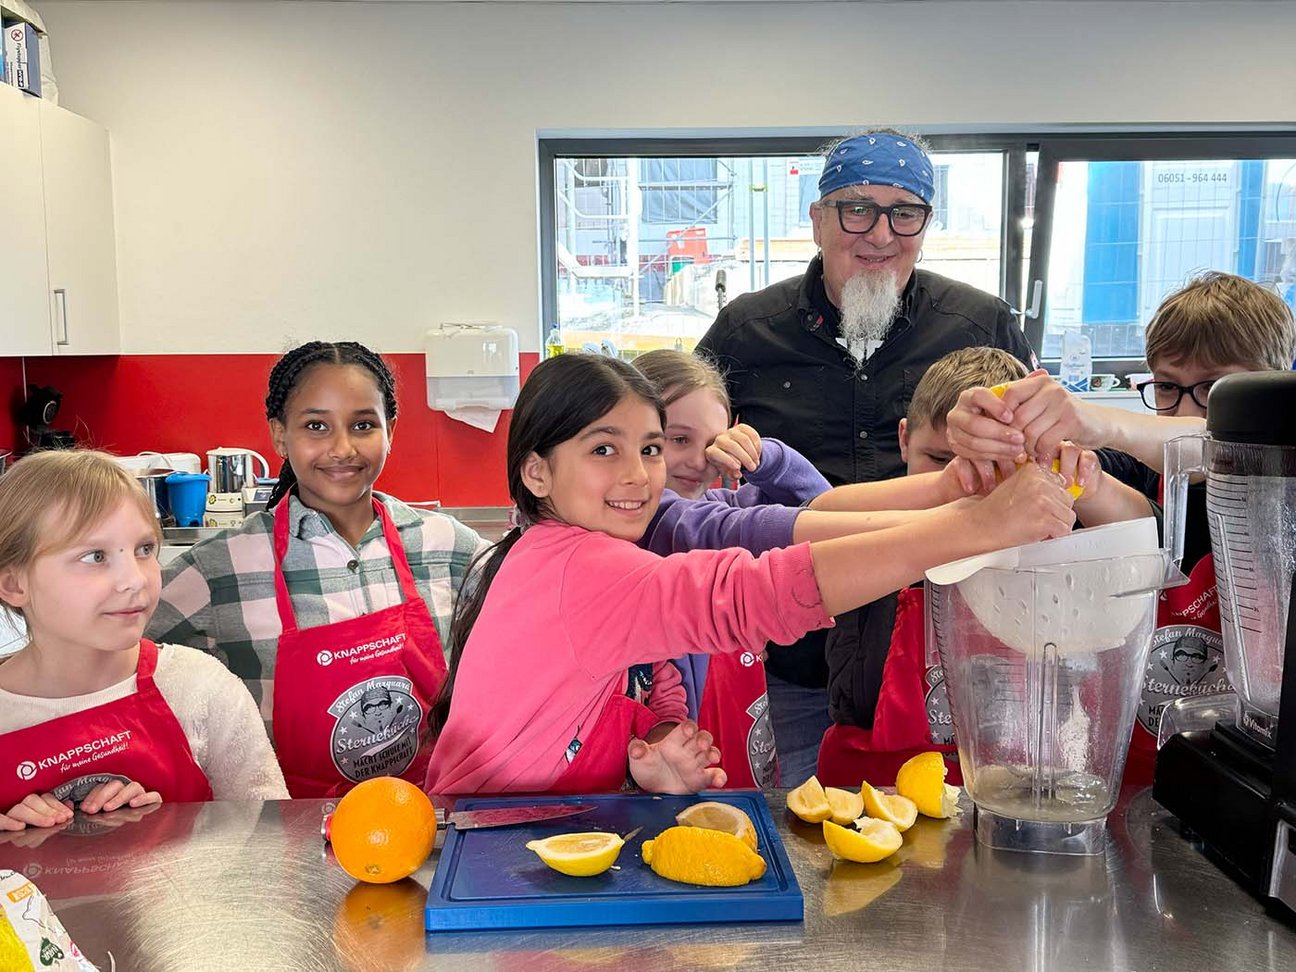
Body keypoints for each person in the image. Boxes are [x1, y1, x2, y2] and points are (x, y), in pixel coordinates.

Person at [423, 354, 1076, 797]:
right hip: (493, 855)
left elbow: (638, 674)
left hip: (525, 839)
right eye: (603, 448)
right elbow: (758, 592)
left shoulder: (547, 550)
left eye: (648, 448)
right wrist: (975, 527)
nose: (636, 473)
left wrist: (653, 733)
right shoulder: (581, 565)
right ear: (537, 472)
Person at [695, 130, 1039, 777]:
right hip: (785, 656)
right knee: (789, 831)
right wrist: (710, 455)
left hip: (934, 655)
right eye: (858, 208)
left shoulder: (979, 324)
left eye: (904, 211)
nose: (881, 233)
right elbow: (684, 443)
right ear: (819, 219)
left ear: (926, 223)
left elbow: (1035, 454)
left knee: (934, 845)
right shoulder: (746, 330)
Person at [944, 272, 1296, 782]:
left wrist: (1098, 419)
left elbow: (1222, 445)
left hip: (1260, 762)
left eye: (1214, 390)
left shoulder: (1281, 487)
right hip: (1139, 769)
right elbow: (1125, 511)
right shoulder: (1139, 470)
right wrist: (997, 426)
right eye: (1168, 388)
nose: (1186, 409)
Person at [147, 341, 486, 798]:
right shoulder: (221, 567)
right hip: (287, 840)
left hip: (430, 822)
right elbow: (111, 661)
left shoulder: (448, 546)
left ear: (391, 430)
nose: (342, 448)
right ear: (280, 436)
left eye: (363, 425)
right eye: (316, 426)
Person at [813, 347, 1148, 786]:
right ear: (902, 439)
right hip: (872, 790)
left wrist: (1089, 482)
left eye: (999, 466)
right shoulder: (879, 518)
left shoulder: (1054, 530)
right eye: (939, 459)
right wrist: (942, 492)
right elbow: (814, 519)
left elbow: (1142, 531)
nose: (976, 485)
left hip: (1019, 785)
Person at [0, 451, 286, 830]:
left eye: (145, 549)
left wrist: (167, 826)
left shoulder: (199, 687)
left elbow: (268, 836)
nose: (135, 579)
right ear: (14, 584)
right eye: (96, 556)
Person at [635, 349, 830, 786]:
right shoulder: (655, 521)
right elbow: (732, 531)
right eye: (677, 440)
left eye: (712, 443)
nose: (700, 460)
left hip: (713, 738)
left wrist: (766, 457)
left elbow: (813, 500)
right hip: (649, 752)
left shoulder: (710, 502)